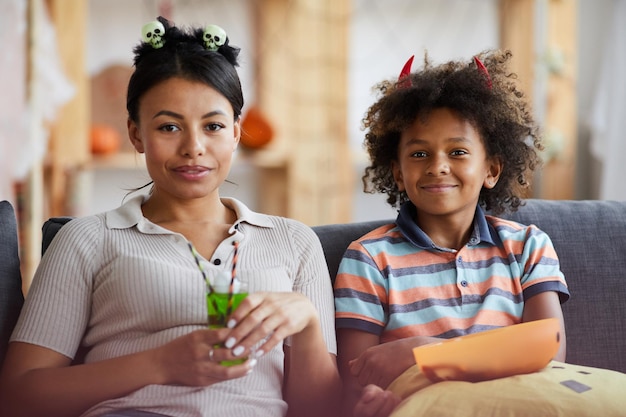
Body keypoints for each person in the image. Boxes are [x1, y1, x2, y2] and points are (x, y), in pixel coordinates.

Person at [0, 17, 340, 417]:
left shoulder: (294, 242)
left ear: (235, 133)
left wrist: (308, 324)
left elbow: (322, 410)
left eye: (213, 126)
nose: (193, 147)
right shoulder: (88, 239)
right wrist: (159, 364)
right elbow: (18, 397)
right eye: (168, 127)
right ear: (136, 134)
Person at [333, 50, 570, 417]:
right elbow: (357, 379)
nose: (438, 167)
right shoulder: (368, 259)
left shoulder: (528, 246)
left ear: (491, 169)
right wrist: (370, 403)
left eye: (457, 151)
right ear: (397, 173)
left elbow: (548, 348)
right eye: (419, 154)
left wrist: (423, 352)